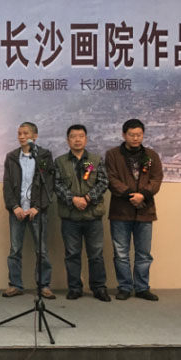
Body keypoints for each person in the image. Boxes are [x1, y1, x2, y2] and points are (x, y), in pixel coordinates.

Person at [106, 118, 163, 301]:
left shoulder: (151, 155)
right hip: (120, 210)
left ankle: (142, 288)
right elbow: (111, 179)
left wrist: (143, 195)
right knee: (121, 253)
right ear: (124, 135)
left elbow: (156, 179)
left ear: (143, 135)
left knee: (143, 253)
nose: (135, 138)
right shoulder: (113, 155)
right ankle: (124, 287)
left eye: (139, 134)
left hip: (145, 210)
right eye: (132, 134)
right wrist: (131, 195)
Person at [54, 124, 111, 302]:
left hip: (92, 215)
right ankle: (74, 288)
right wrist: (73, 199)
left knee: (96, 255)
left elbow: (103, 182)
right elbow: (56, 184)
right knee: (72, 255)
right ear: (67, 140)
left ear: (86, 139)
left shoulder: (95, 160)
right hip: (70, 217)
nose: (77, 140)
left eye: (81, 136)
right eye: (73, 136)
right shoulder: (60, 162)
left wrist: (87, 198)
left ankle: (99, 288)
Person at [2, 122, 56, 299]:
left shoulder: (44, 156)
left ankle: (44, 285)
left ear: (35, 136)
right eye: (19, 133)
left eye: (25, 133)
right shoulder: (11, 157)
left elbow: (49, 184)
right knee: (15, 250)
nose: (22, 136)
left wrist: (38, 207)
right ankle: (15, 284)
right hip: (17, 211)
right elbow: (7, 185)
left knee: (42, 250)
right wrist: (14, 207)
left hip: (37, 211)